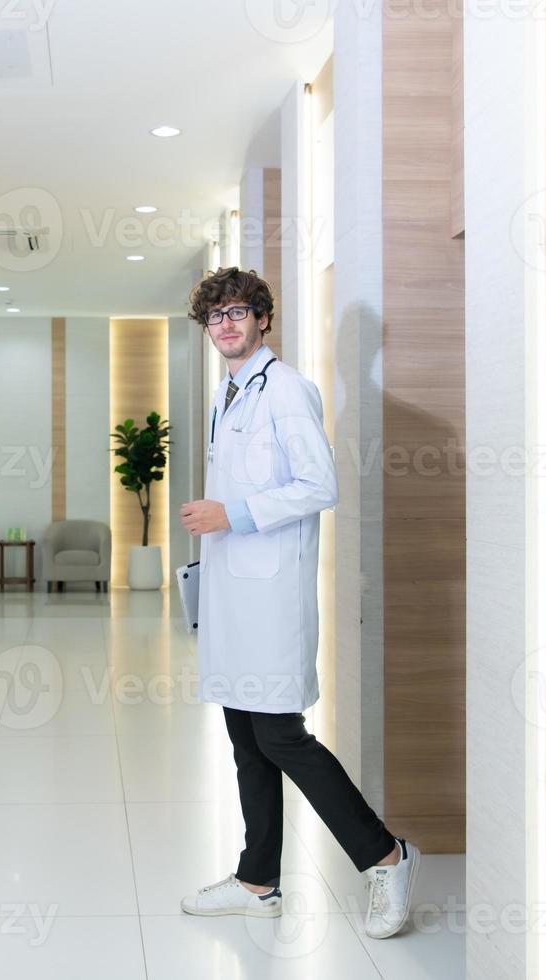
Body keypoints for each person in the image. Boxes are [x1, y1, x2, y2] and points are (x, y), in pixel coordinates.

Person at [178, 267, 416, 939]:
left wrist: (234, 513)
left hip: (272, 598)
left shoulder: (285, 390)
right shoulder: (230, 391)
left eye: (238, 312)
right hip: (234, 593)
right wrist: (225, 523)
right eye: (215, 316)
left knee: (282, 737)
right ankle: (257, 882)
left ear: (261, 319)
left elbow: (319, 484)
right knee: (245, 738)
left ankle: (387, 856)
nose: (226, 324)